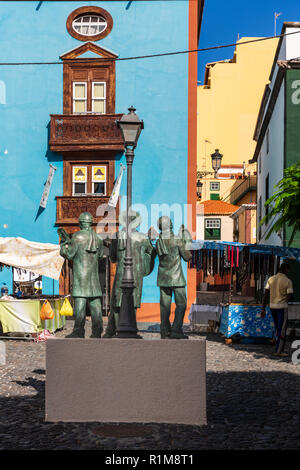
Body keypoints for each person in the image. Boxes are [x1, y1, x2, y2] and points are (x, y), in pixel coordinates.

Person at [103, 211, 155, 338]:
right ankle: (131, 327)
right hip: (136, 275)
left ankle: (114, 329)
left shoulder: (118, 236)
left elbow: (113, 258)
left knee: (117, 303)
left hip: (121, 273)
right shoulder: (143, 238)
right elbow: (151, 253)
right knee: (133, 302)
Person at [59, 212, 104, 338]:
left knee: (80, 305)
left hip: (81, 277)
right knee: (96, 305)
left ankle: (79, 331)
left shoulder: (77, 237)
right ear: (91, 223)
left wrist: (64, 244)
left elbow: (69, 254)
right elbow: (100, 256)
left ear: (80, 223)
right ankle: (97, 332)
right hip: (93, 277)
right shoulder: (98, 238)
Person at [155, 216, 192, 339]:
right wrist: (187, 240)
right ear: (170, 225)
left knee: (164, 306)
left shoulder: (158, 241)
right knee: (181, 304)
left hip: (163, 278)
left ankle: (165, 330)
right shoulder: (177, 240)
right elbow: (187, 257)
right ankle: (176, 329)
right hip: (177, 279)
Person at [261, 262, 293, 356]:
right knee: (282, 329)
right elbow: (290, 295)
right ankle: (279, 351)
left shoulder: (271, 279)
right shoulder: (287, 281)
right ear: (286, 269)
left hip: (272, 307)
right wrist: (286, 298)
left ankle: (278, 348)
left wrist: (263, 308)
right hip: (282, 307)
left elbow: (266, 294)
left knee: (277, 328)